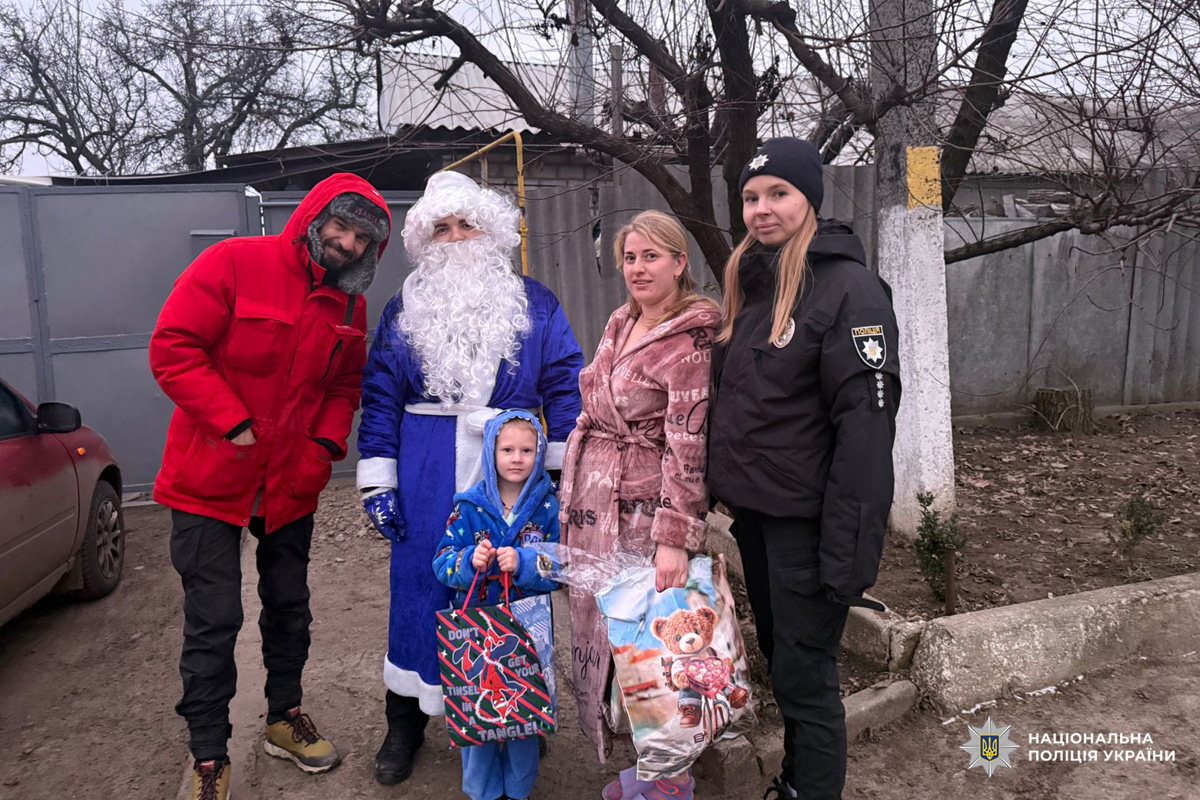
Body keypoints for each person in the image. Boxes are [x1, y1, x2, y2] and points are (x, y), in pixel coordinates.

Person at [149, 173, 391, 800]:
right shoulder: (232, 263)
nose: (346, 242)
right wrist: (231, 422)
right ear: (314, 216)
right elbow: (174, 347)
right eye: (339, 225)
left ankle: (284, 717)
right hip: (209, 478)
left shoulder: (350, 306)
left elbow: (343, 389)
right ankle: (209, 753)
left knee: (289, 607)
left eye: (362, 237)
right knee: (215, 618)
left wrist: (321, 449)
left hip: (290, 481)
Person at [356, 170, 584, 785]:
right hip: (426, 464)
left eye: (467, 225)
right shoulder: (404, 306)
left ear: (492, 231)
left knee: (515, 589)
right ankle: (405, 721)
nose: (456, 239)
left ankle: (518, 713)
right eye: (442, 229)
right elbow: (379, 395)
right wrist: (380, 481)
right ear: (426, 241)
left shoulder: (535, 303)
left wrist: (560, 471)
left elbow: (565, 384)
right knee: (421, 587)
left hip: (514, 465)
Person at [706, 138, 902, 800]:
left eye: (778, 194)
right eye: (752, 197)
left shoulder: (849, 291)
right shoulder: (755, 285)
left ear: (810, 199)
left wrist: (847, 556)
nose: (762, 209)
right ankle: (792, 784)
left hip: (806, 529)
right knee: (785, 667)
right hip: (758, 523)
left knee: (805, 677)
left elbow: (866, 435)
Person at [557, 210, 721, 800]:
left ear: (681, 263)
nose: (638, 268)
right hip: (595, 502)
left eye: (652, 256)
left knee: (651, 643)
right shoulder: (620, 320)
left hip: (643, 511)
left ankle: (671, 780)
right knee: (614, 636)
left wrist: (675, 536)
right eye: (630, 257)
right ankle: (648, 765)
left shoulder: (692, 338)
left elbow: (688, 442)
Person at [432, 410, 561, 800]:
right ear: (490, 451)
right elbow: (442, 562)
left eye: (527, 449)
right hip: (476, 635)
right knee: (479, 712)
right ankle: (482, 791)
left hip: (528, 631)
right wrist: (470, 559)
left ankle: (519, 789)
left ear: (539, 453)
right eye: (507, 449)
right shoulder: (468, 507)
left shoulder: (548, 507)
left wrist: (523, 563)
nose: (517, 458)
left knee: (524, 712)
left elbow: (559, 566)